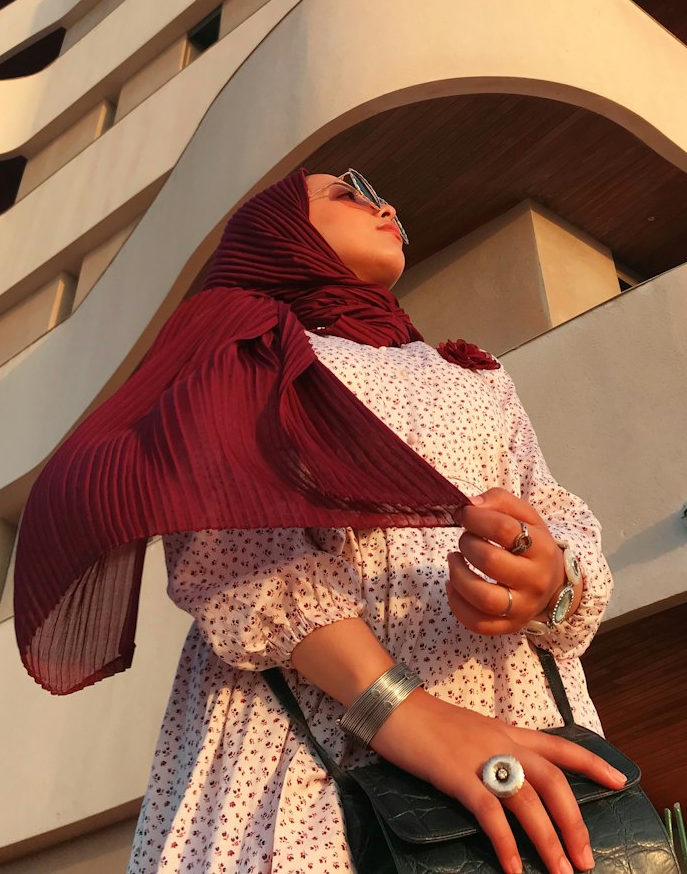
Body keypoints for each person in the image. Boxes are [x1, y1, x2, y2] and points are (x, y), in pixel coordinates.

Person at [119, 169, 620, 874]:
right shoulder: (243, 352)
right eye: (345, 190)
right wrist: (403, 711)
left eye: (381, 192)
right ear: (277, 231)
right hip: (304, 752)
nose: (385, 203)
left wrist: (549, 581)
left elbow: (552, 511)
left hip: (512, 724)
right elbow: (236, 548)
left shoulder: (474, 374)